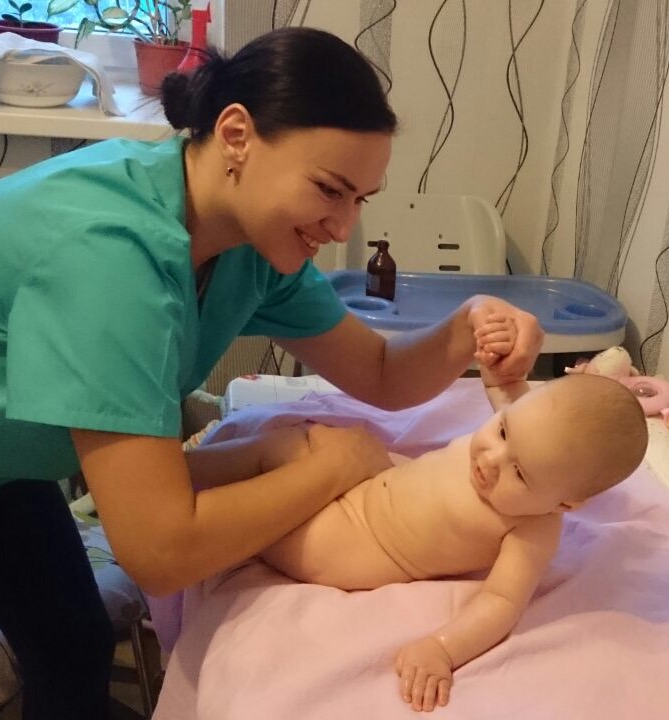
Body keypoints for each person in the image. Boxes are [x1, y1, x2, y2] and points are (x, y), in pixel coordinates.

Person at [0, 27, 542, 719]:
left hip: (15, 467)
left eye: (359, 199)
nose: (341, 226)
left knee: (72, 644)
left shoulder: (249, 244)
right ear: (236, 135)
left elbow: (379, 372)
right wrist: (331, 467)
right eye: (329, 189)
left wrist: (466, 327)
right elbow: (161, 553)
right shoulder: (112, 257)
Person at [190, 316, 648, 713]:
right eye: (502, 432)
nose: (492, 459)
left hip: (347, 545)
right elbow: (501, 385)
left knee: (258, 502)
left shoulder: (533, 530)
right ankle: (183, 471)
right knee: (286, 445)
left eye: (520, 474)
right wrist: (495, 350)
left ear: (565, 504)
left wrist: (441, 649)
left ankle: (188, 505)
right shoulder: (528, 429)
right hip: (365, 490)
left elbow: (500, 603)